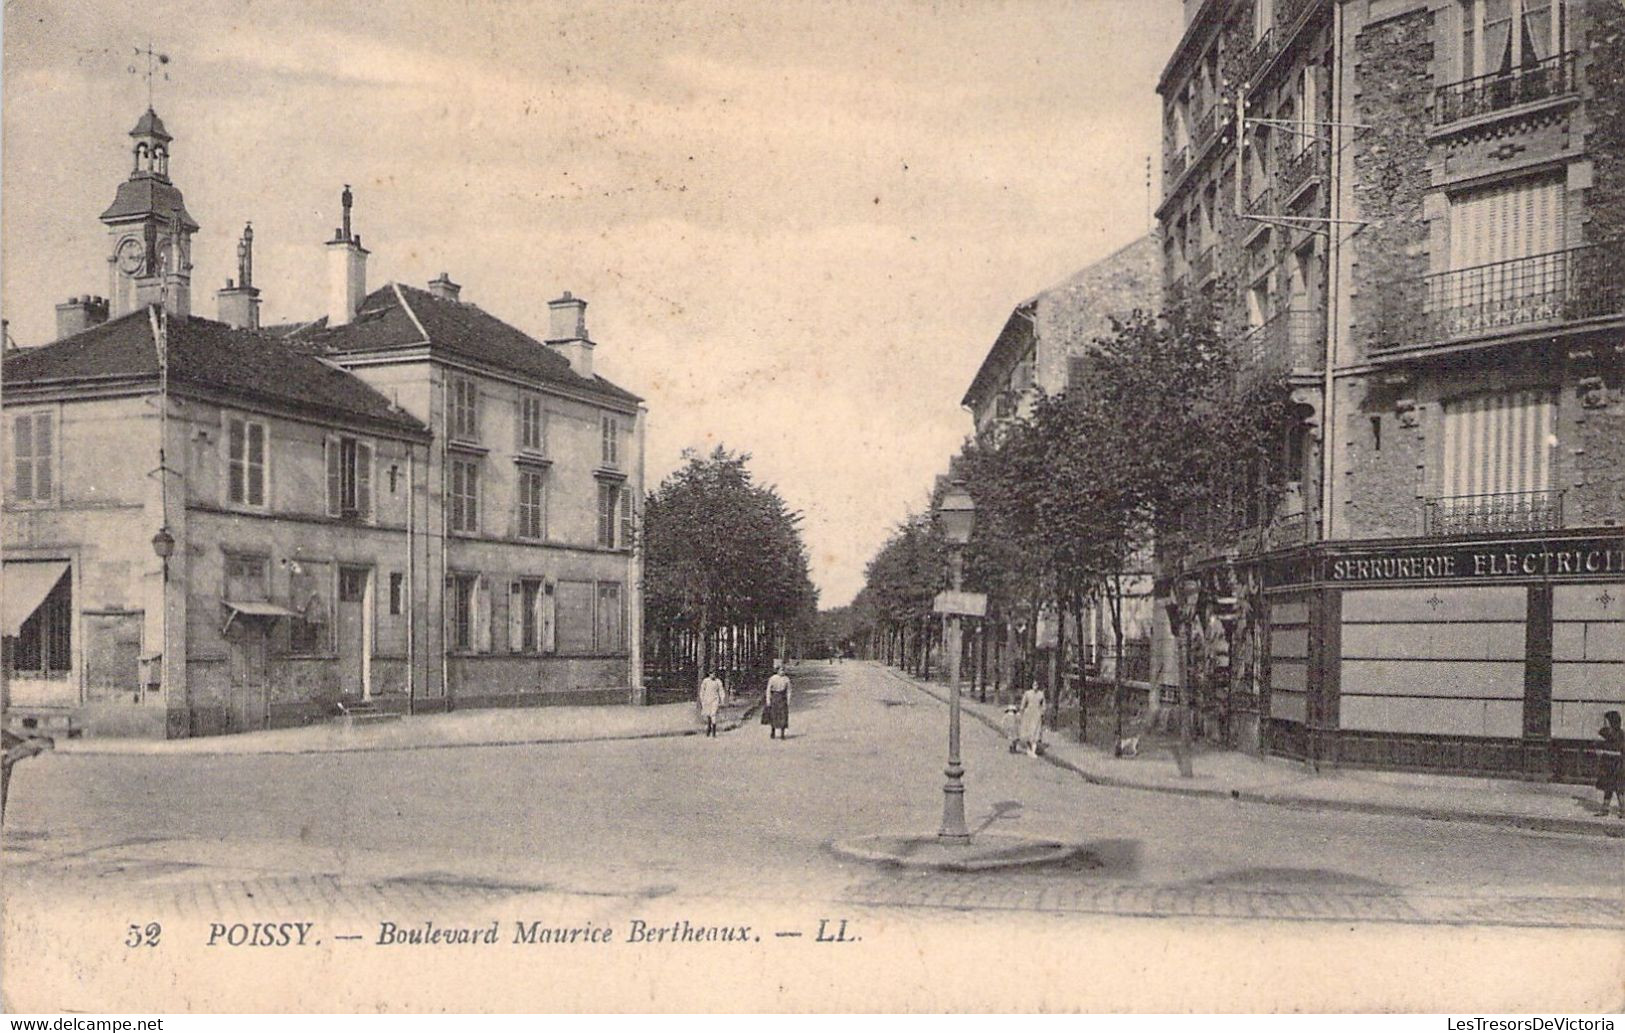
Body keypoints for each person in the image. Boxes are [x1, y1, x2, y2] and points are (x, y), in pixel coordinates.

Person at [1596, 710, 1623, 818]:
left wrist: (1604, 752)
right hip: (1607, 766)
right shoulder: (1606, 733)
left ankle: (1623, 809)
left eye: (1606, 720)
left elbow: (1621, 752)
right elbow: (1600, 734)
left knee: (1619, 789)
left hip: (1617, 766)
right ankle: (1605, 809)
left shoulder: (1620, 735)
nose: (1604, 722)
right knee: (1608, 788)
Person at [1017, 682, 1045, 758]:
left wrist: (1042, 713)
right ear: (1032, 685)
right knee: (1027, 732)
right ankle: (1027, 749)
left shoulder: (1041, 694)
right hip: (1028, 715)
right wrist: (1021, 712)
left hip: (1036, 715)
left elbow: (1043, 705)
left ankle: (1033, 751)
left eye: (1037, 685)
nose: (1035, 686)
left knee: (1035, 732)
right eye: (1034, 685)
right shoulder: (1027, 693)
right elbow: (1023, 704)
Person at [765, 663, 792, 740]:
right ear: (777, 671)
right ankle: (773, 731)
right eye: (781, 670)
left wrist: (788, 700)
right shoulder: (773, 678)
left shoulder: (786, 679)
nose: (782, 672)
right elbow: (768, 689)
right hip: (774, 697)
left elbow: (789, 690)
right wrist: (768, 699)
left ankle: (782, 734)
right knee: (774, 715)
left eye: (783, 670)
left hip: (782, 698)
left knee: (783, 715)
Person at [698, 670, 725, 739]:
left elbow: (721, 690)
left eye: (714, 674)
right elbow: (702, 690)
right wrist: (702, 699)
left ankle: (714, 732)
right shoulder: (705, 681)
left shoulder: (718, 681)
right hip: (707, 700)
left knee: (713, 714)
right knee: (708, 715)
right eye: (711, 674)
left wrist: (722, 699)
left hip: (715, 700)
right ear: (709, 674)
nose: (713, 675)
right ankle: (709, 729)